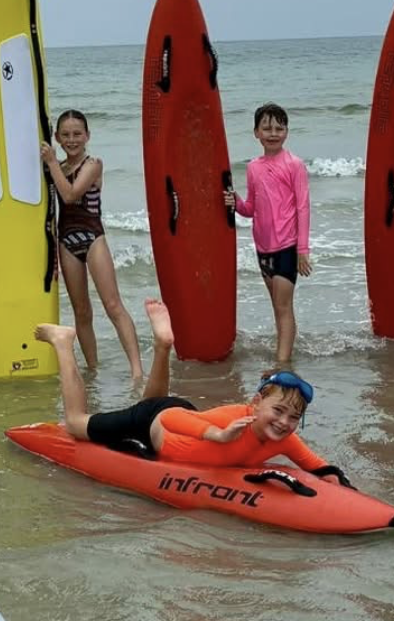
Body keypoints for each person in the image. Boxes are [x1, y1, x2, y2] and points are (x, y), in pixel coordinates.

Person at [35, 297, 355, 482]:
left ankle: (163, 346)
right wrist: (217, 435)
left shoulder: (285, 438)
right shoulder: (237, 418)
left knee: (152, 400)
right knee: (77, 424)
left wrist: (340, 484)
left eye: (294, 417)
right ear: (256, 403)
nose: (285, 422)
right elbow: (173, 419)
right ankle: (63, 342)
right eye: (278, 410)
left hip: (175, 414)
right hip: (158, 421)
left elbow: (319, 465)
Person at [41, 111, 144, 390]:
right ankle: (93, 370)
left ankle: (136, 372)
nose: (72, 139)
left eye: (77, 134)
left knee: (113, 305)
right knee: (81, 311)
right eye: (65, 135)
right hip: (66, 241)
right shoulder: (56, 167)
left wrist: (50, 162)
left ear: (88, 136)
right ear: (57, 138)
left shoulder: (93, 164)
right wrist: (51, 164)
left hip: (93, 238)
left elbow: (71, 195)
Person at [227, 103, 311, 366]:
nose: (273, 133)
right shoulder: (253, 167)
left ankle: (282, 363)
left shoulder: (294, 165)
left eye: (279, 127)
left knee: (284, 307)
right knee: (277, 306)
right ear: (256, 133)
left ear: (286, 132)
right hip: (263, 247)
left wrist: (303, 250)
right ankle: (285, 354)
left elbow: (303, 207)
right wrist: (236, 202)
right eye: (267, 128)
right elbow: (252, 209)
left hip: (286, 246)